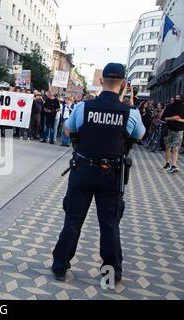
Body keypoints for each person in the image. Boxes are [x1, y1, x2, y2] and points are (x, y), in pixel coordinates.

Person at [52, 63, 146, 283]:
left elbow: (68, 130)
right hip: (112, 175)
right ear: (123, 84)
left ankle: (60, 267)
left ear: (102, 81)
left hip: (83, 170)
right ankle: (112, 274)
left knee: (73, 221)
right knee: (110, 225)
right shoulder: (130, 112)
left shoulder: (84, 107)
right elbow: (139, 136)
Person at [161, 95, 184, 173]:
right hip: (169, 129)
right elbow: (163, 118)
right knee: (168, 147)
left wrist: (179, 119)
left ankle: (174, 165)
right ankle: (167, 163)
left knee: (176, 148)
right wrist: (172, 118)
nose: (177, 99)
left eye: (179, 98)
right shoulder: (169, 107)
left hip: (179, 130)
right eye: (176, 98)